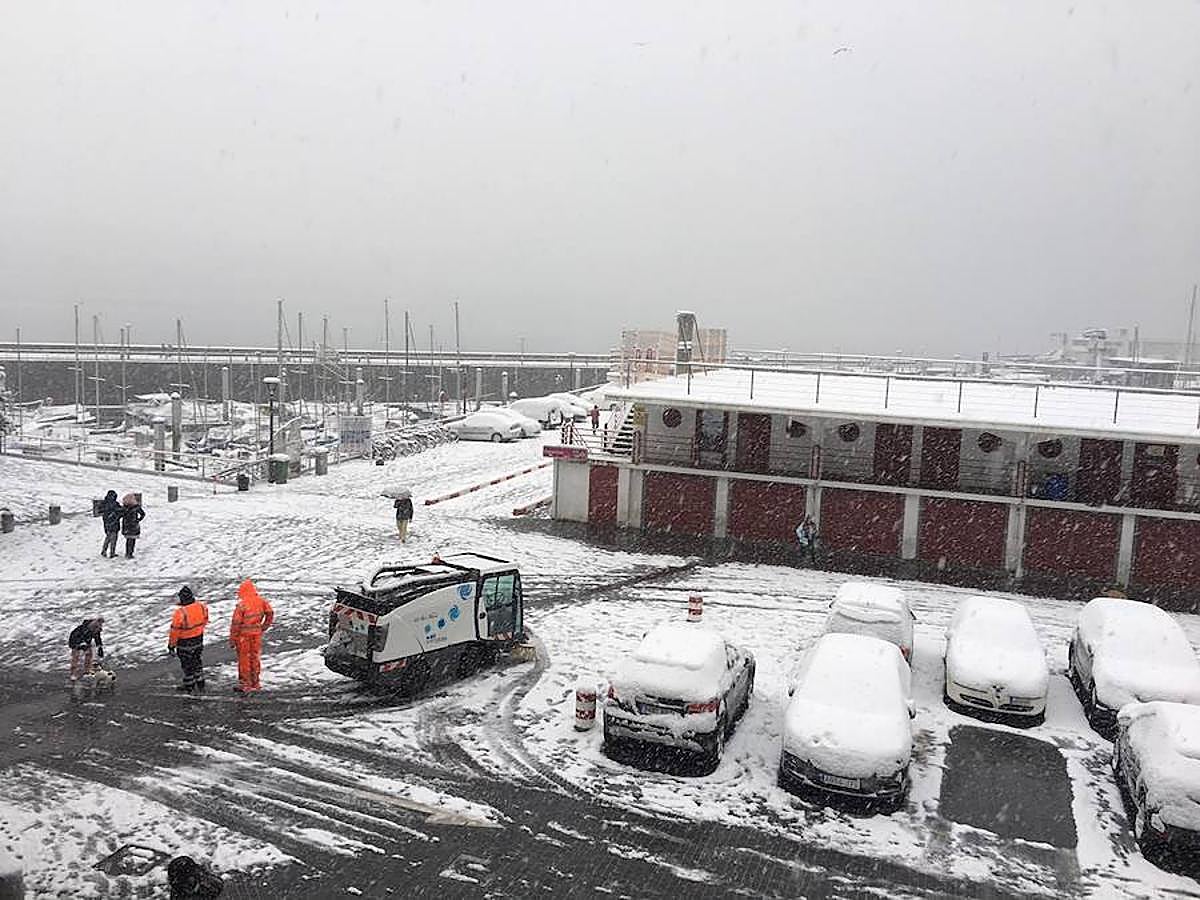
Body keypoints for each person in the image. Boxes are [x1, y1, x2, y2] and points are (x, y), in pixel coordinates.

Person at [229, 579, 274, 693]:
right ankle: (255, 682)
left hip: (243, 636)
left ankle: (245, 683)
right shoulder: (261, 601)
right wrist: (264, 626)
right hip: (256, 634)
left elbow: (236, 623)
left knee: (244, 660)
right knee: (255, 658)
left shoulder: (242, 605)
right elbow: (270, 613)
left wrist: (233, 639)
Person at [168, 586, 209, 692]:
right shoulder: (201, 606)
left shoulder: (180, 613)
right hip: (198, 639)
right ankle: (200, 680)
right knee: (197, 660)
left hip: (184, 643)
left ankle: (189, 684)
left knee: (187, 664)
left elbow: (174, 631)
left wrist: (171, 645)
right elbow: (205, 620)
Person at [67, 617, 104, 682]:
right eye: (96, 630)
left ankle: (87, 671)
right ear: (93, 627)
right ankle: (73, 674)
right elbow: (76, 638)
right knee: (75, 657)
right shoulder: (83, 629)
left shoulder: (96, 630)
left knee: (89, 654)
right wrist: (80, 645)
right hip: (74, 641)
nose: (97, 632)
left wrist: (100, 647)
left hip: (86, 642)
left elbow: (97, 638)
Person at [99, 490, 122, 558]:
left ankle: (104, 550)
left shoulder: (104, 503)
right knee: (114, 538)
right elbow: (121, 511)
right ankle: (112, 553)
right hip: (114, 522)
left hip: (107, 523)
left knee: (108, 537)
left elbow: (100, 511)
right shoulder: (115, 504)